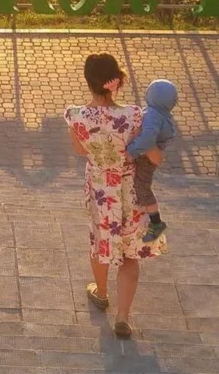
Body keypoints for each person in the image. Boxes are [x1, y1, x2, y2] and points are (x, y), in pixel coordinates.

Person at [65, 53, 167, 340]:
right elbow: (146, 150)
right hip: (130, 188)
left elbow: (80, 151)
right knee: (130, 253)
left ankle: (101, 292)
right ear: (116, 81)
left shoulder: (76, 115)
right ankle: (123, 317)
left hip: (100, 188)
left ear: (89, 82)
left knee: (100, 242)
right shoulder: (133, 114)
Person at [126, 79, 177, 243]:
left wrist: (131, 151)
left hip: (146, 158)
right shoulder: (162, 114)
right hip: (150, 156)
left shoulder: (153, 115)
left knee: (142, 186)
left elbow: (147, 139)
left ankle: (156, 222)